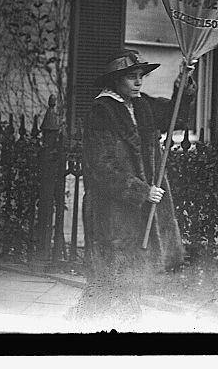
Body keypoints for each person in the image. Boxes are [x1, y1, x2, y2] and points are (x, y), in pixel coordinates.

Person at [75, 49, 186, 324]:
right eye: (131, 77)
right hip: (110, 210)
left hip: (135, 210)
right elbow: (102, 166)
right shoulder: (102, 111)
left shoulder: (140, 106)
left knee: (130, 275)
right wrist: (140, 191)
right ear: (114, 81)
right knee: (108, 276)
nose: (138, 83)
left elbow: (173, 116)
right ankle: (86, 325)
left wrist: (185, 88)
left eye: (141, 77)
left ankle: (119, 324)